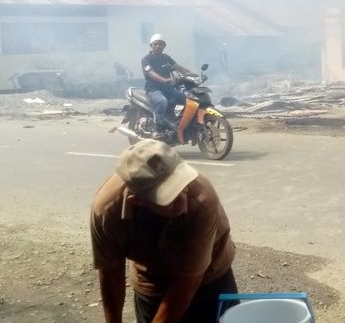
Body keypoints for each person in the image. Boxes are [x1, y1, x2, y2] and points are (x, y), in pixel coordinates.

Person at [90, 139, 237, 323]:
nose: (183, 205)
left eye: (182, 188)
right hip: (151, 281)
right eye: (171, 198)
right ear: (138, 201)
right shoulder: (107, 211)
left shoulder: (202, 198)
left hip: (209, 276)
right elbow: (111, 273)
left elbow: (188, 283)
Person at [141, 33, 196, 135]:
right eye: (156, 44)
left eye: (161, 44)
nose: (158, 46)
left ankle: (177, 122)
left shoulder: (166, 58)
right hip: (153, 90)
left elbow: (179, 68)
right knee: (162, 101)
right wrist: (164, 80)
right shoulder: (146, 59)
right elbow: (151, 73)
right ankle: (158, 128)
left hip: (167, 89)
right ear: (151, 45)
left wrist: (193, 75)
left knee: (187, 99)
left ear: (164, 46)